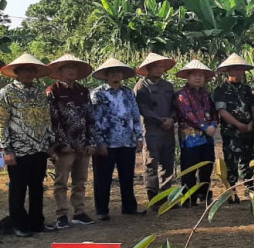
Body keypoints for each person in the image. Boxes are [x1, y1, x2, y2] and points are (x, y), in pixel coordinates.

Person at [0, 54, 55, 236]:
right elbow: (2, 123)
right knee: (18, 187)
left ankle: (37, 222)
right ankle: (19, 224)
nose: (28, 73)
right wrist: (6, 150)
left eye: (31, 70)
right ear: (16, 72)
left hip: (39, 147)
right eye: (23, 70)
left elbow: (47, 118)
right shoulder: (7, 93)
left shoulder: (40, 91)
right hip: (18, 149)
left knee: (37, 186)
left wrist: (50, 141)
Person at [46, 54, 97, 229]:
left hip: (82, 143)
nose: (71, 71)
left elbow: (90, 118)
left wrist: (91, 141)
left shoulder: (83, 91)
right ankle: (61, 214)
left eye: (73, 68)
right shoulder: (53, 91)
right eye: (67, 68)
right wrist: (61, 142)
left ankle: (79, 212)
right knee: (61, 181)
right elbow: (53, 120)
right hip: (64, 146)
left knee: (80, 180)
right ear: (60, 72)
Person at [91, 58, 145, 220]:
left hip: (127, 141)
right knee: (103, 178)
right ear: (106, 75)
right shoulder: (98, 94)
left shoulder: (128, 92)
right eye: (112, 72)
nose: (116, 74)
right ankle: (102, 210)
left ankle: (129, 207)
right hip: (106, 143)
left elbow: (135, 116)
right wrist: (99, 142)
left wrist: (139, 137)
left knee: (127, 176)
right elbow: (95, 120)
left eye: (118, 71)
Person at [134, 52, 177, 207]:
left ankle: (166, 196)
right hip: (151, 130)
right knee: (151, 163)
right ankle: (153, 198)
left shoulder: (168, 86)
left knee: (167, 164)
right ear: (148, 69)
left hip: (168, 130)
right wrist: (160, 120)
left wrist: (172, 119)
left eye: (161, 67)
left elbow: (175, 106)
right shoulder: (141, 86)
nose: (159, 69)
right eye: (155, 67)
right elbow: (142, 108)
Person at [213, 53, 254, 203]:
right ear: (228, 71)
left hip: (248, 132)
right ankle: (231, 192)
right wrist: (239, 125)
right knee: (231, 162)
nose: (238, 73)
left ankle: (250, 189)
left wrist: (250, 124)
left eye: (240, 70)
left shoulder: (247, 89)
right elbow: (222, 112)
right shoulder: (221, 90)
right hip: (231, 133)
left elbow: (252, 109)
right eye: (235, 70)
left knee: (249, 161)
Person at [174, 60, 217, 207]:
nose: (198, 78)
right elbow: (187, 114)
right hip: (190, 138)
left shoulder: (206, 95)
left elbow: (213, 112)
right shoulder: (181, 95)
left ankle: (204, 195)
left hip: (207, 138)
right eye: (194, 75)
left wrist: (213, 124)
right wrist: (205, 127)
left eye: (201, 75)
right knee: (189, 168)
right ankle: (188, 198)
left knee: (207, 167)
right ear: (188, 76)